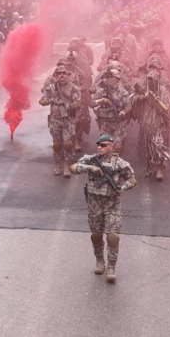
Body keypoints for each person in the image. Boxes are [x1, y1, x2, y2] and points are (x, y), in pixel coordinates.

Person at [70, 134, 137, 282]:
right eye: (98, 145)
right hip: (95, 204)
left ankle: (111, 267)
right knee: (96, 235)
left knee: (113, 236)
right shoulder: (91, 158)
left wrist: (122, 187)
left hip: (112, 204)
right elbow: (74, 167)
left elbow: (132, 180)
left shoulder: (120, 163)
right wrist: (91, 168)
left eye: (104, 145)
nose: (99, 147)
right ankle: (99, 261)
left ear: (112, 146)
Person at [40, 66, 81, 176]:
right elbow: (42, 101)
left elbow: (78, 102)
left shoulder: (73, 88)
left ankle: (67, 164)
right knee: (57, 144)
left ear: (67, 75)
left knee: (68, 144)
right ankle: (57, 164)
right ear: (56, 76)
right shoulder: (51, 88)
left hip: (68, 120)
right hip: (55, 119)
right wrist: (53, 100)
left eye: (64, 73)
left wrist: (69, 105)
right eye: (59, 73)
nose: (61, 75)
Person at [91, 69, 131, 155]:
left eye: (112, 77)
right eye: (108, 77)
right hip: (105, 123)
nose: (109, 79)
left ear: (117, 79)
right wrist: (101, 100)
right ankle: (105, 165)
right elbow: (92, 103)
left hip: (118, 123)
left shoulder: (122, 92)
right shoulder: (101, 90)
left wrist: (123, 112)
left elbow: (128, 105)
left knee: (118, 147)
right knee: (105, 147)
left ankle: (115, 165)